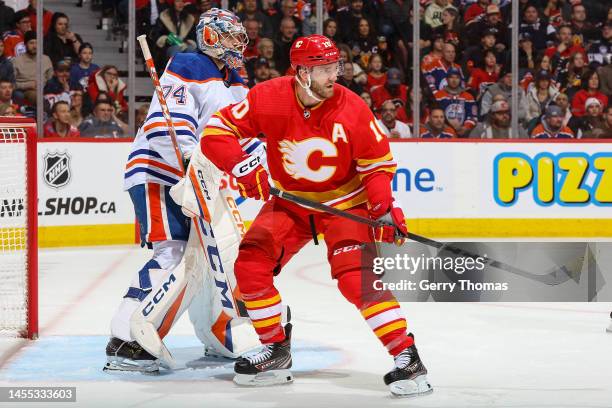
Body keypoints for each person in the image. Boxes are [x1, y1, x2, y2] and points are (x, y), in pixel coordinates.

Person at [196, 34, 433, 397]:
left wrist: (383, 208)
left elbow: (377, 166)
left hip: (345, 206)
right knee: (250, 265)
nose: (333, 76)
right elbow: (216, 132)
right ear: (301, 71)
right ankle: (275, 349)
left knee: (356, 279)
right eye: (324, 69)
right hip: (291, 203)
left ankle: (407, 356)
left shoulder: (352, 107)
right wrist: (242, 166)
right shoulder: (269, 97)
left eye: (334, 67)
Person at [106, 8, 258, 373]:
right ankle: (125, 338)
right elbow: (164, 126)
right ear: (210, 37)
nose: (240, 44)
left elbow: (243, 136)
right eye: (232, 37)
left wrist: (261, 168)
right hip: (161, 173)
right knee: (172, 254)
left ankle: (219, 335)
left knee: (209, 260)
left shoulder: (235, 78)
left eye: (241, 38)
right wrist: (191, 159)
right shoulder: (188, 64)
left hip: (201, 182)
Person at [12, 31, 53, 106]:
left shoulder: (46, 59)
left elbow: (50, 78)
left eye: (37, 43)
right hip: (25, 91)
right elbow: (12, 84)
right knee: (35, 96)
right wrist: (28, 85)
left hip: (44, 89)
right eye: (31, 43)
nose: (35, 46)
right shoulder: (16, 61)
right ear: (25, 44)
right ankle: (46, 113)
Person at [433, 67, 478, 137]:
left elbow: (473, 116)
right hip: (442, 133)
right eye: (451, 77)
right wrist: (448, 129)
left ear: (460, 79)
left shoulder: (468, 96)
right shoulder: (438, 96)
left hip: (464, 133)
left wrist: (465, 127)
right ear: (447, 79)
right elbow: (434, 116)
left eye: (457, 78)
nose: (454, 80)